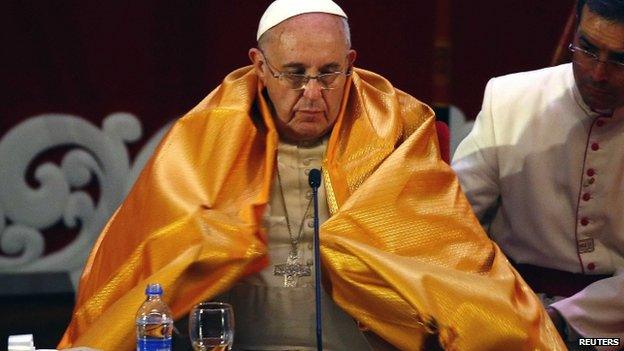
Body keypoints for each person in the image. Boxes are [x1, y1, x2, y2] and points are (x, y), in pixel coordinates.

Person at [59, 0, 564, 350]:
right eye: (295, 73)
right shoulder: (204, 147)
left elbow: (456, 269)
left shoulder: (395, 141)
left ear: (351, 64)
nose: (314, 92)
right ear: (259, 66)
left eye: (329, 73)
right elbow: (144, 270)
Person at [452, 0, 624, 346]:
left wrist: (563, 319)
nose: (597, 73)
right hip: (513, 312)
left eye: (620, 60)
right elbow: (453, 221)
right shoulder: (510, 99)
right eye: (587, 49)